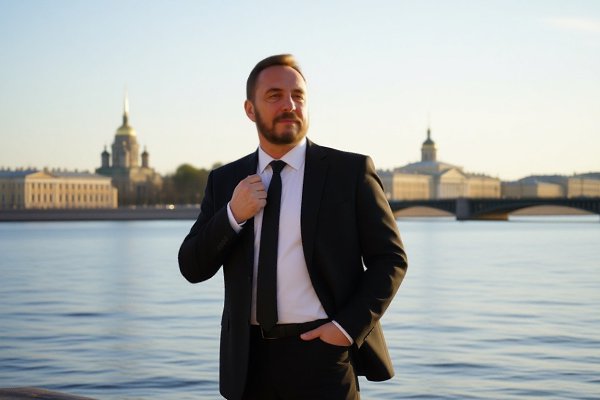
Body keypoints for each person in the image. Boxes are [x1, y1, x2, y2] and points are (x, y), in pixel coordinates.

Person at [178, 54, 408, 400]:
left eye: (298, 95)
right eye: (274, 95)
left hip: (325, 357)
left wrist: (345, 329)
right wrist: (233, 214)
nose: (289, 105)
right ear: (250, 109)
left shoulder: (350, 172)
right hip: (248, 364)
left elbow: (390, 259)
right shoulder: (225, 180)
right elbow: (192, 267)